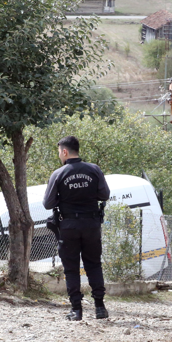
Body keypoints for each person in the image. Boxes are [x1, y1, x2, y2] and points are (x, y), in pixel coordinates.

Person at [42, 136, 111, 321]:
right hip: (91, 225)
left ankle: (76, 310)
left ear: (65, 152)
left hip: (68, 226)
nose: (59, 156)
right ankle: (100, 308)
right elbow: (104, 195)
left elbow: (48, 203)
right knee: (94, 265)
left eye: (59, 152)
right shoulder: (94, 170)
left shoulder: (58, 174)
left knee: (71, 268)